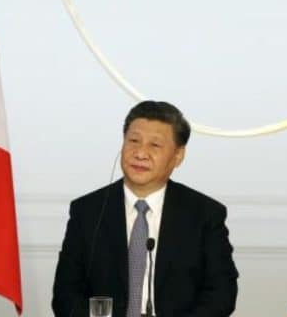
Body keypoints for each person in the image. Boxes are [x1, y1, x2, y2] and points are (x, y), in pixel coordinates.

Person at [52, 100, 238, 317]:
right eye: (133, 141)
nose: (140, 153)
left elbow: (222, 294)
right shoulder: (87, 211)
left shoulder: (204, 214)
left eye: (155, 145)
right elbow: (65, 295)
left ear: (178, 156)